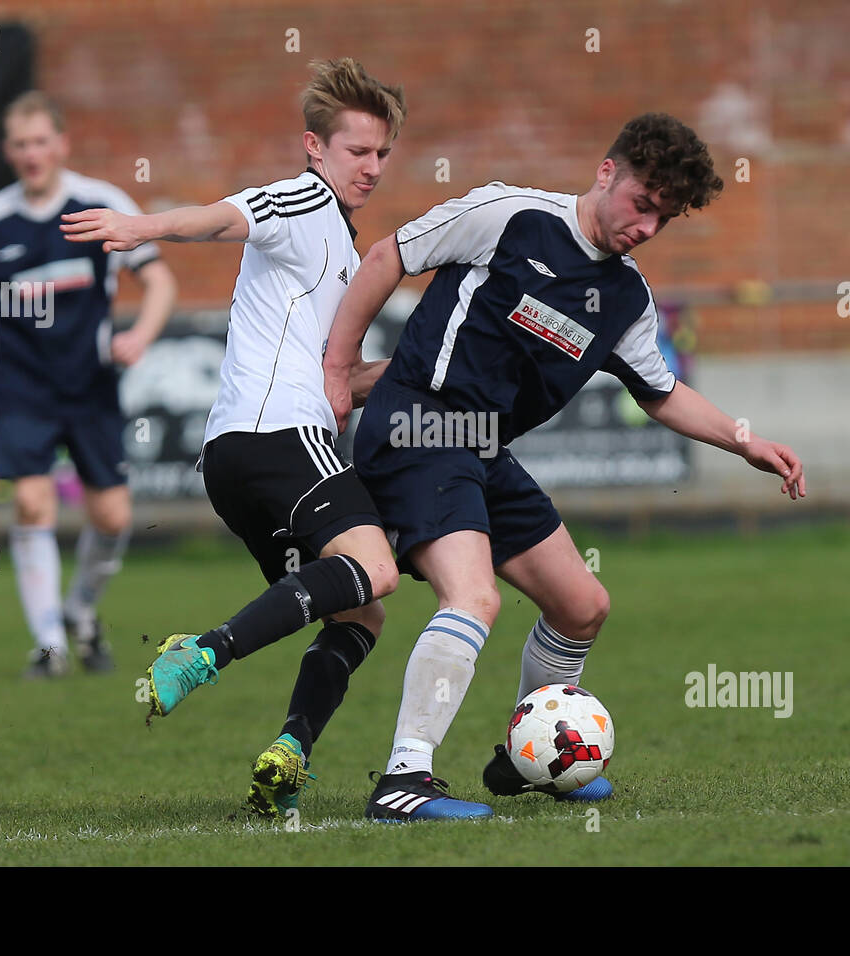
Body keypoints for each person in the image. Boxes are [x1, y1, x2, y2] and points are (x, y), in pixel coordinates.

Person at [322, 112, 807, 821]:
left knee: (582, 608)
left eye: (663, 219)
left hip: (482, 447)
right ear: (606, 173)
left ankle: (527, 761)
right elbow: (385, 259)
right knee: (474, 599)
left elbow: (660, 391)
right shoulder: (509, 215)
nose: (646, 227)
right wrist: (339, 369)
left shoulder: (627, 298)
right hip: (417, 424)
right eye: (643, 204)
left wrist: (744, 440)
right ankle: (404, 778)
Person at [60, 58, 405, 818]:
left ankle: (288, 754)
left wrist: (432, 369)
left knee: (358, 612)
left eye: (382, 153)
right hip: (279, 435)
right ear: (316, 148)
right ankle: (203, 651)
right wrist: (139, 226)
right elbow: (224, 216)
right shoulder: (303, 198)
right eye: (357, 151)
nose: (372, 167)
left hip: (238, 458)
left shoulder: (344, 250)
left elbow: (333, 372)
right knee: (375, 570)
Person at [0, 91, 177, 678]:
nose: (32, 153)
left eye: (41, 141)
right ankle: (48, 645)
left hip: (88, 384)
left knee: (112, 516)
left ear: (61, 144)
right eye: (20, 143)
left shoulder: (100, 204)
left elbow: (159, 281)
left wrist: (140, 334)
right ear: (8, 151)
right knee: (33, 503)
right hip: (17, 385)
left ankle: (79, 614)